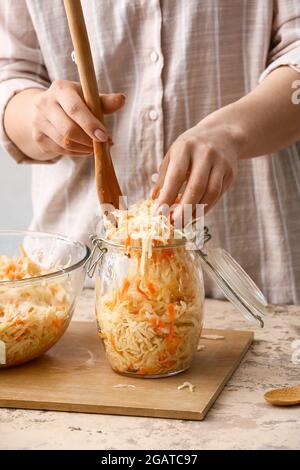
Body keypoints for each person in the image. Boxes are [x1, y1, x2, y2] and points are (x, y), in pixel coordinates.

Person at [0, 0, 300, 304]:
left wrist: (232, 131)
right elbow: (10, 71)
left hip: (253, 284)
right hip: (74, 288)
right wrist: (37, 116)